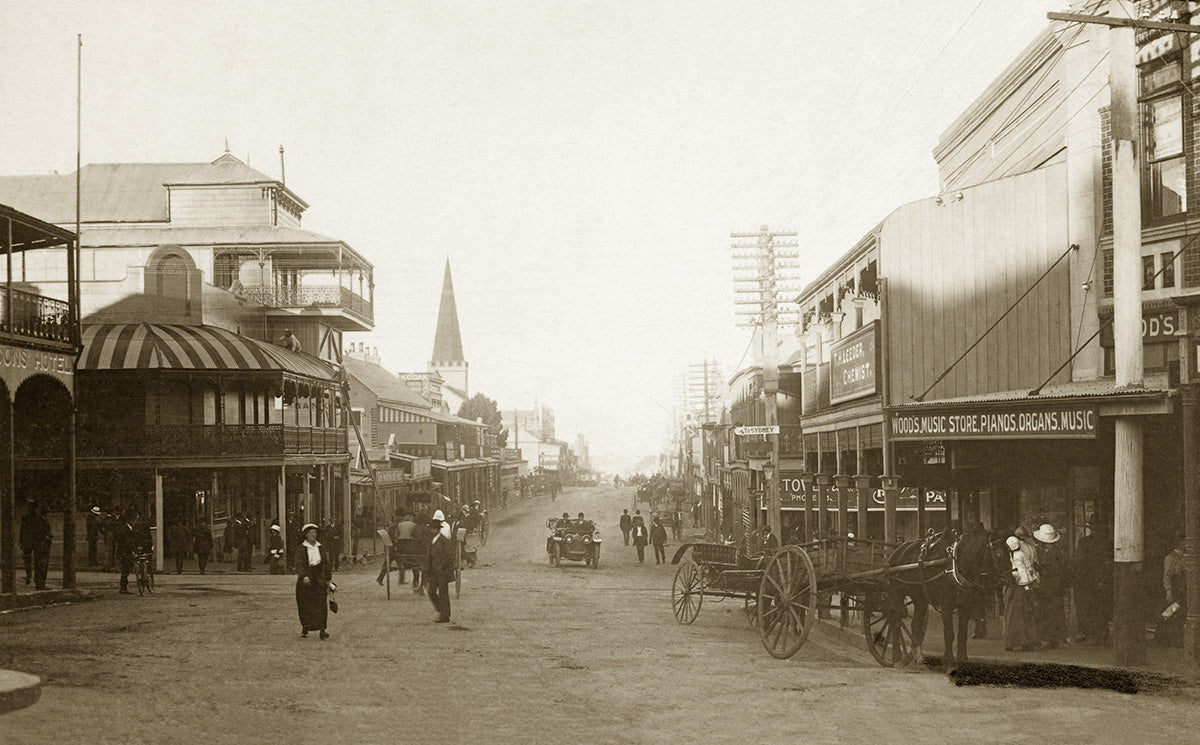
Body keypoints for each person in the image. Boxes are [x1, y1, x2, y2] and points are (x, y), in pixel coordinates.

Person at [1072, 516, 1111, 644]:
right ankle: (1102, 634)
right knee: (1101, 607)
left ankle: (1089, 632)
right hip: (1103, 579)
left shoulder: (1084, 542)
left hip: (1087, 579)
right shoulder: (1108, 542)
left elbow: (1079, 561)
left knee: (1087, 606)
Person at [294, 523, 333, 640]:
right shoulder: (301, 548)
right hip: (307, 577)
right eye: (311, 533)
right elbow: (299, 564)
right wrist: (303, 576)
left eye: (315, 533)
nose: (313, 535)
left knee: (321, 604)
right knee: (306, 604)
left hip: (319, 577)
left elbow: (325, 563)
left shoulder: (320, 547)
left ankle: (322, 629)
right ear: (306, 535)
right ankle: (305, 628)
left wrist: (328, 578)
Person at [1032, 523, 1067, 649]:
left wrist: (1042, 568)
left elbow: (1057, 569)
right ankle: (1046, 637)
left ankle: (1053, 638)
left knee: (1052, 612)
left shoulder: (1056, 552)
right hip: (1045, 585)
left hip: (1053, 585)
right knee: (1045, 611)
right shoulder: (1041, 550)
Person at [1003, 535, 1039, 652]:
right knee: (1025, 614)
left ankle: (1012, 641)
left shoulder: (1013, 556)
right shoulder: (1021, 553)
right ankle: (1026, 642)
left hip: (1016, 585)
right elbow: (1028, 567)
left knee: (1013, 614)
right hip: (1021, 585)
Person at [425, 513, 456, 623]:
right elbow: (428, 557)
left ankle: (445, 616)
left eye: (434, 529)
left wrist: (444, 566)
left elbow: (451, 555)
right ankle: (441, 610)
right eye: (431, 529)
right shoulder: (431, 540)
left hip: (442, 572)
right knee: (431, 592)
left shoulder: (444, 541)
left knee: (443, 593)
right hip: (433, 571)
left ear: (438, 529)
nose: (432, 531)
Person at [1159, 533, 1187, 647]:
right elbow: (1167, 576)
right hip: (1176, 589)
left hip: (1184, 589)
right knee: (1172, 612)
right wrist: (1168, 590)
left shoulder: (1188, 556)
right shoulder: (1170, 558)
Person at [20, 502, 52, 590]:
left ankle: (29, 575)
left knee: (28, 561)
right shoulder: (41, 519)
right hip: (39, 544)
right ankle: (40, 583)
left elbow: (22, 530)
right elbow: (45, 531)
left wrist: (21, 542)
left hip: (28, 543)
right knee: (41, 564)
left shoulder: (26, 517)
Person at [112, 513, 137, 594]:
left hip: (125, 551)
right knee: (126, 568)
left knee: (126, 568)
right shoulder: (124, 529)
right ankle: (123, 587)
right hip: (125, 552)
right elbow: (126, 541)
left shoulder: (126, 528)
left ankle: (124, 586)